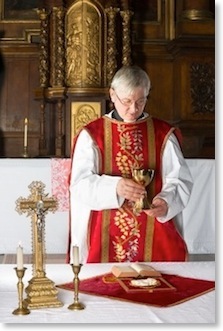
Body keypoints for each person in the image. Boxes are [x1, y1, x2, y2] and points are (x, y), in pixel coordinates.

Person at [67, 65, 193, 264]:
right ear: (112, 95)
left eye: (140, 101)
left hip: (155, 233)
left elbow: (180, 179)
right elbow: (80, 185)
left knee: (158, 289)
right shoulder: (92, 134)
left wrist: (166, 202)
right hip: (104, 235)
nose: (133, 109)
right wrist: (115, 187)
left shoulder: (163, 134)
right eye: (127, 101)